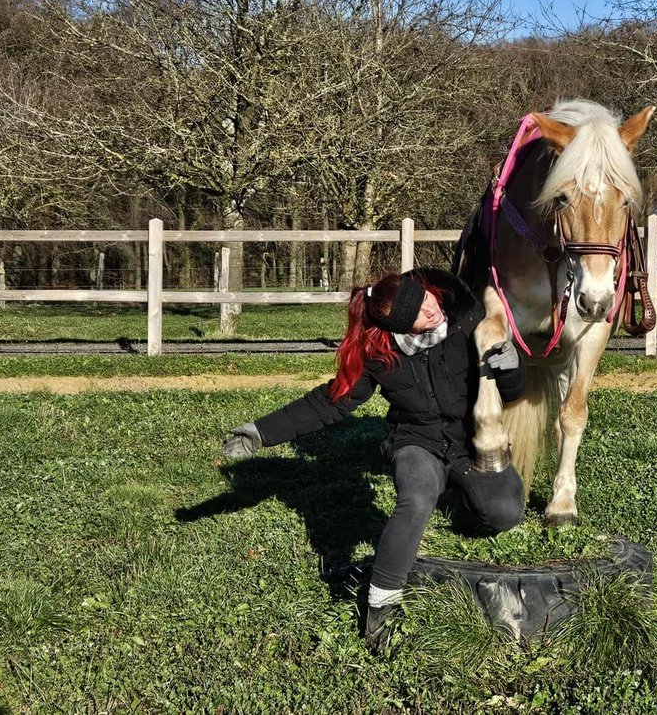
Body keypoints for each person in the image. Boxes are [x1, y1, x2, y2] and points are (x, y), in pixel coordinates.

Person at [220, 267, 526, 652]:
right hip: (416, 443)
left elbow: (513, 390)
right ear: (401, 326)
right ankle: (380, 607)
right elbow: (328, 403)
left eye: (427, 298)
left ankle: (457, 497)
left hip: (469, 443)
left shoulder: (466, 322)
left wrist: (512, 366)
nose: (430, 310)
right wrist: (260, 433)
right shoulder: (380, 354)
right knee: (415, 498)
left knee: (504, 512)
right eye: (417, 312)